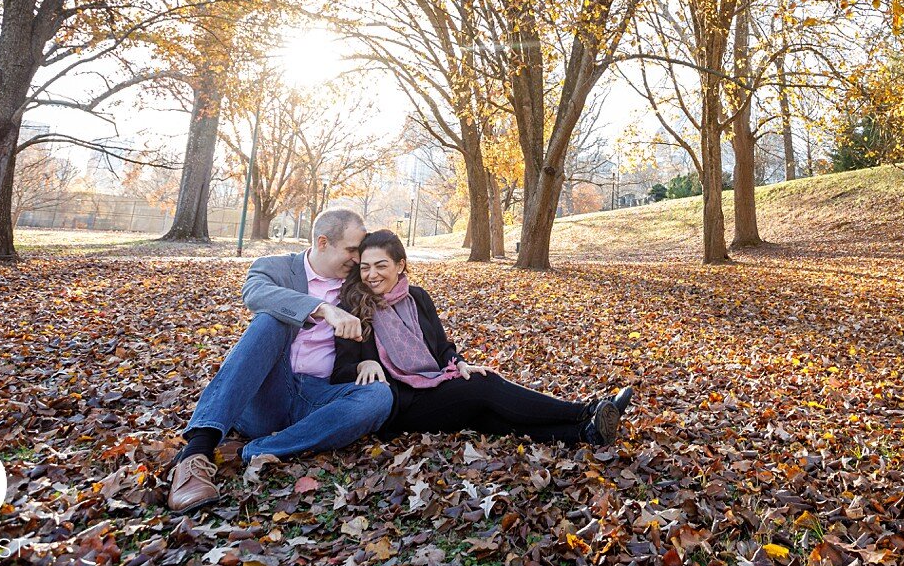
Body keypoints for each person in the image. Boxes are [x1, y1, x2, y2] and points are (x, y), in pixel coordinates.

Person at [166, 209, 394, 513]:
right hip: (267, 395)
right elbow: (256, 294)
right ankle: (197, 452)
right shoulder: (276, 268)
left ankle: (258, 450)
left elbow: (401, 300)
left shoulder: (358, 281)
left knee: (379, 395)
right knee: (272, 320)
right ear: (323, 242)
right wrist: (323, 308)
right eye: (352, 250)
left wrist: (449, 361)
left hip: (318, 398)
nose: (357, 258)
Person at [330, 229, 632, 445]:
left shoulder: (417, 298)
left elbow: (443, 347)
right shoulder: (352, 309)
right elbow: (339, 374)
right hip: (402, 405)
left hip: (435, 384)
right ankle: (585, 410)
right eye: (366, 267)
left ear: (399, 266)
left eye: (381, 266)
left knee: (485, 415)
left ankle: (585, 434)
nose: (372, 275)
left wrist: (458, 363)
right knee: (483, 387)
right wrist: (362, 365)